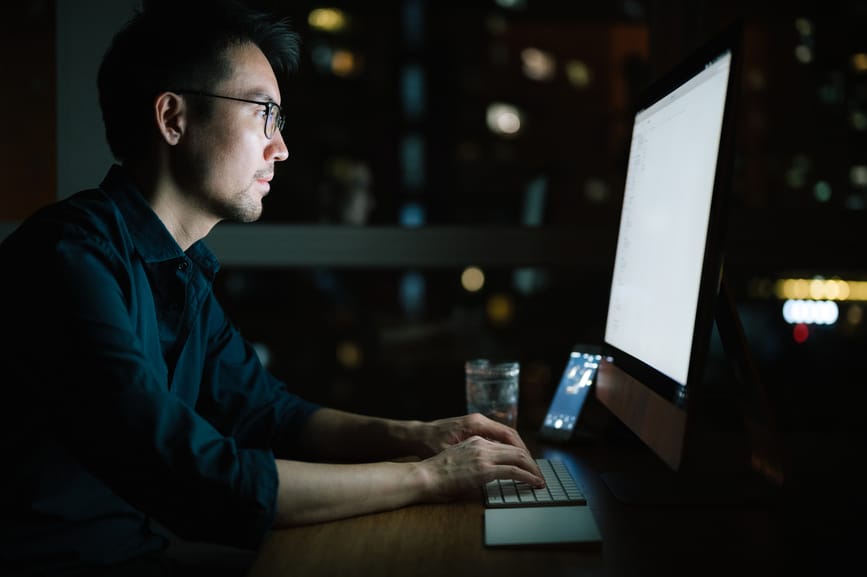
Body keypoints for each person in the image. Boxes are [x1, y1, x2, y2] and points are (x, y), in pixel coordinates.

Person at [0, 0, 543, 575]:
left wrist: (421, 436)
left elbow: (271, 414)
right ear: (173, 118)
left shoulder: (181, 271)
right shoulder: (68, 260)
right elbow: (192, 478)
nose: (279, 147)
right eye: (264, 112)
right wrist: (429, 478)